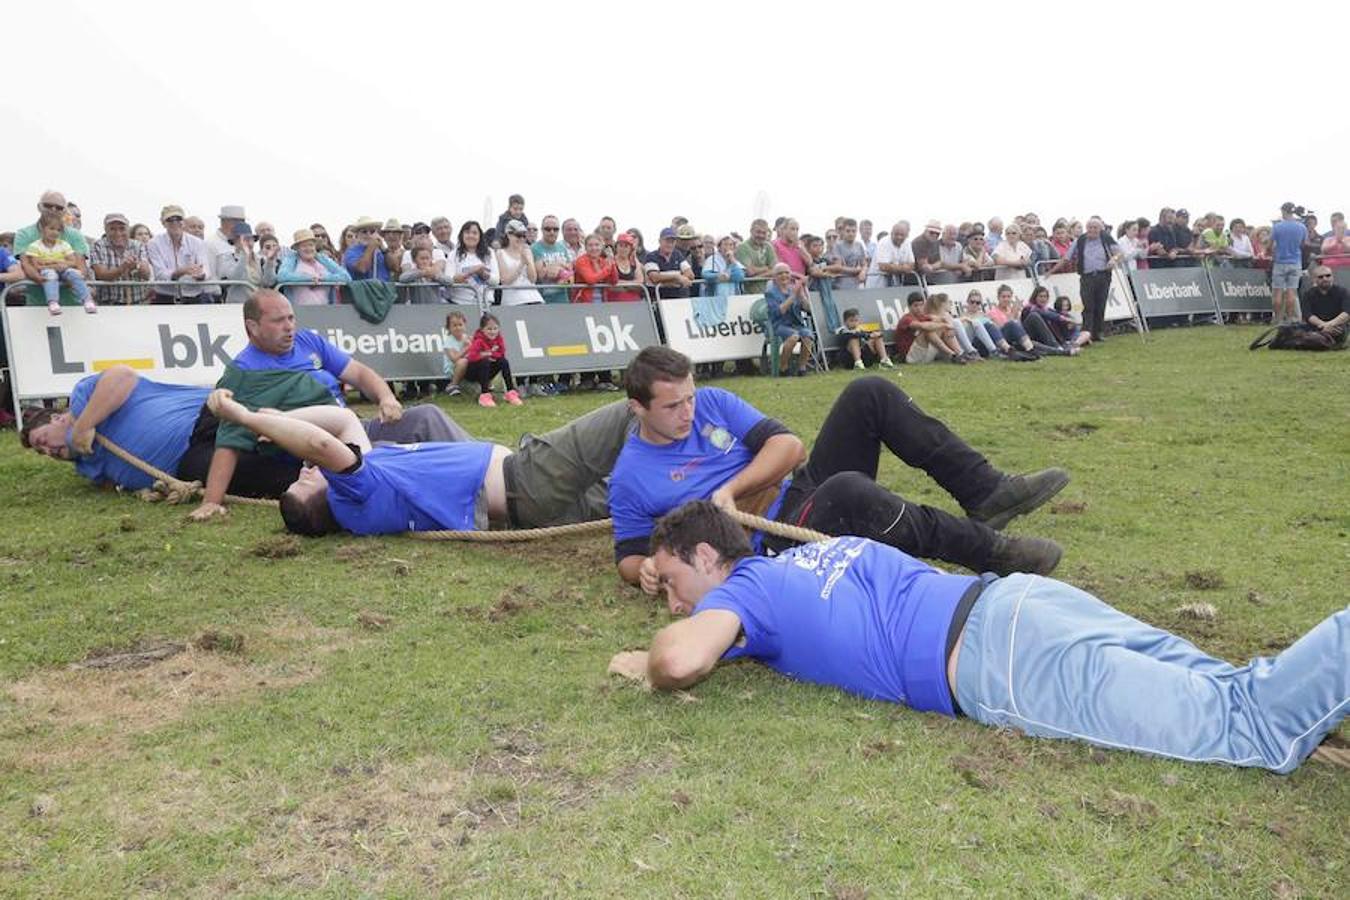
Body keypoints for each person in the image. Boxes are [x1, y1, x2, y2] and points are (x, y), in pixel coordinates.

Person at [613, 500, 1347, 775]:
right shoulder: (807, 557)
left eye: (674, 585)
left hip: (1006, 660)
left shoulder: (745, 591)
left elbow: (680, 659)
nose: (674, 606)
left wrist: (646, 664)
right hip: (1027, 603)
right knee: (1230, 684)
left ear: (710, 557)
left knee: (1251, 723)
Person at [608, 346, 1068, 597]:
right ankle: (994, 553)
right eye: (672, 406)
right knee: (849, 492)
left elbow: (788, 447)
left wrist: (728, 491)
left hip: (795, 492)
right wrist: (645, 569)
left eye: (689, 397)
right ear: (637, 407)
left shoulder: (713, 403)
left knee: (868, 392)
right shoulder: (632, 474)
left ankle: (986, 493)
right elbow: (628, 554)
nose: (688, 412)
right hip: (767, 546)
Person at [205, 385, 636, 538]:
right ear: (324, 498)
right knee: (634, 409)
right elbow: (320, 445)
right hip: (528, 480)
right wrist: (243, 416)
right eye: (306, 480)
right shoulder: (358, 493)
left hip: (536, 505)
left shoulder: (368, 482)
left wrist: (278, 420)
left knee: (653, 497)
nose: (305, 469)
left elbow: (340, 420)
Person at [186, 290, 470, 521]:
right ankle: (471, 490)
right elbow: (229, 441)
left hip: (355, 425)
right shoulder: (245, 373)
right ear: (253, 327)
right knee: (401, 456)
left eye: (291, 318)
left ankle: (486, 465)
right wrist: (212, 500)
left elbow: (358, 373)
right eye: (278, 321)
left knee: (427, 416)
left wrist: (386, 397)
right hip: (328, 451)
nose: (289, 327)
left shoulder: (307, 340)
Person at [18, 366, 317, 498]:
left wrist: (83, 425)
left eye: (43, 440)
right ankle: (326, 480)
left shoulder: (83, 397)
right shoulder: (87, 466)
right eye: (42, 453)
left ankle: (352, 440)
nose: (48, 451)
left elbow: (122, 376)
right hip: (186, 466)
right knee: (260, 476)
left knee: (268, 425)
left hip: (201, 419)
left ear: (58, 418)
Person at [1049, 216, 1120, 343]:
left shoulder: (1106, 238)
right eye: (1090, 228)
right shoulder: (1080, 240)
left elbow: (1119, 253)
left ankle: (1097, 333)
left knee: (1100, 304)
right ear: (1086, 228)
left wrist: (1113, 260)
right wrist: (1051, 271)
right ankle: (1087, 333)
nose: (1092, 230)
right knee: (1088, 305)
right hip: (1087, 277)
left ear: (1100, 229)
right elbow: (1067, 257)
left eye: (1095, 228)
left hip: (1103, 275)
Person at [20, 211, 96, 314]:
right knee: (50, 274)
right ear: (42, 229)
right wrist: (58, 264)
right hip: (49, 271)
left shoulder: (64, 245)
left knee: (74, 273)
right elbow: (37, 265)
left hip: (63, 270)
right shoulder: (34, 246)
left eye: (58, 230)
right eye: (51, 228)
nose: (55, 232)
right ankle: (53, 302)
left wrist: (52, 263)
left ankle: (87, 300)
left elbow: (73, 262)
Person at [146, 205, 211, 303]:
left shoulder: (197, 242)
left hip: (193, 296)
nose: (175, 223)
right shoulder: (153, 243)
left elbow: (206, 269)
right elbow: (160, 275)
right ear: (163, 223)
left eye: (178, 219)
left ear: (183, 222)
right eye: (170, 220)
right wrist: (181, 271)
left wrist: (201, 275)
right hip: (165, 297)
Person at [89, 213, 152, 305]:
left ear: (128, 230)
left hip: (138, 304)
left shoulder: (137, 245)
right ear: (106, 230)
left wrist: (136, 265)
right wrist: (122, 268)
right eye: (112, 229)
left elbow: (146, 275)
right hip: (108, 304)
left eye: (122, 228)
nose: (118, 233)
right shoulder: (98, 245)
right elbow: (101, 274)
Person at [763, 264, 815, 377]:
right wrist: (793, 296)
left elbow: (808, 309)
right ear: (774, 277)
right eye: (780, 273)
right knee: (794, 336)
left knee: (808, 336)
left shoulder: (794, 289)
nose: (784, 275)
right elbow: (779, 311)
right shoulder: (770, 293)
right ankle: (783, 368)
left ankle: (802, 368)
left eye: (786, 272)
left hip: (796, 323)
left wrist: (802, 296)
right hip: (779, 324)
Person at [276, 228, 351, 305]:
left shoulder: (323, 259)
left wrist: (323, 279)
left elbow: (346, 277)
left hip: (326, 309)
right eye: (304, 246)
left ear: (315, 246)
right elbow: (282, 276)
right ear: (297, 249)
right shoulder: (291, 259)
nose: (308, 248)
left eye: (311, 245)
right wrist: (309, 279)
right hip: (298, 310)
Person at [465, 313, 522, 407]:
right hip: (474, 371)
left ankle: (511, 392)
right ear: (483, 330)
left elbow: (501, 353)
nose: (492, 332)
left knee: (503, 361)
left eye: (495, 328)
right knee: (485, 362)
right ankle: (484, 395)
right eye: (489, 329)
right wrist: (486, 355)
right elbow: (472, 357)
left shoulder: (499, 339)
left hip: (488, 369)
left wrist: (489, 354)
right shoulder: (478, 340)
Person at [896, 291, 963, 364]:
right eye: (916, 306)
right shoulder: (906, 319)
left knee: (942, 328)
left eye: (921, 305)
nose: (919, 308)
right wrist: (945, 325)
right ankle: (953, 355)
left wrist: (949, 327)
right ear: (909, 307)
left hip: (924, 354)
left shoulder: (922, 317)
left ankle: (960, 354)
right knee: (927, 330)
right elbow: (923, 326)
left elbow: (944, 318)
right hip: (911, 358)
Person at [1271, 203, 1308, 324]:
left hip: (1280, 262)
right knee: (1291, 292)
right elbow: (1305, 243)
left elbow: (1271, 244)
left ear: (1283, 211)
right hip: (1295, 261)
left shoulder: (1277, 226)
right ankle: (1291, 318)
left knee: (1277, 292)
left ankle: (1277, 319)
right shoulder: (1302, 227)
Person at [449, 221, 498, 306]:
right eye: (467, 232)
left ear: (480, 236)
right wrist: (471, 271)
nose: (471, 236)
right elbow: (450, 280)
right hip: (460, 302)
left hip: (485, 303)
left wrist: (483, 274)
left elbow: (496, 281)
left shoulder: (489, 252)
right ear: (462, 235)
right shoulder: (454, 254)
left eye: (474, 233)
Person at [1299, 265, 1350, 345]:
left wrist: (1329, 325)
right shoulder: (1308, 295)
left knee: (1340, 331)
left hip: (1337, 327)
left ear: (1332, 277)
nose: (1325, 279)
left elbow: (1347, 313)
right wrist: (1323, 326)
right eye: (1320, 277)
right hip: (1316, 327)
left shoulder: (1343, 292)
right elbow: (1308, 315)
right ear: (1314, 279)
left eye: (1328, 275)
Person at [532, 214, 574, 304]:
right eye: (548, 229)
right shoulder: (535, 248)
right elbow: (542, 274)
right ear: (542, 230)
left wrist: (554, 268)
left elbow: (570, 275)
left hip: (563, 300)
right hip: (543, 300)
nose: (552, 232)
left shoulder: (562, 247)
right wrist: (560, 267)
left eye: (555, 229)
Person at [218, 222, 262, 304]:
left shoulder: (261, 259)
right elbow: (235, 277)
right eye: (244, 239)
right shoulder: (227, 258)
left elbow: (268, 282)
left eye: (250, 239)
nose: (248, 243)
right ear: (234, 241)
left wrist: (270, 264)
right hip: (236, 305)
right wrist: (244, 255)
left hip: (257, 304)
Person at [734, 219, 779, 295]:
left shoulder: (768, 246)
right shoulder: (743, 247)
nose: (761, 235)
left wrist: (758, 276)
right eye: (758, 232)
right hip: (747, 293)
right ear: (751, 231)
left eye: (764, 233)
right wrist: (766, 268)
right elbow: (749, 271)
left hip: (767, 292)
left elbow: (776, 270)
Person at [865, 221, 914, 288]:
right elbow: (883, 266)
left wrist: (893, 267)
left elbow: (911, 264)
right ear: (891, 233)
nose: (899, 237)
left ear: (906, 235)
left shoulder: (907, 243)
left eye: (902, 235)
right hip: (877, 285)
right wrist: (903, 268)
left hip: (896, 285)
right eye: (896, 234)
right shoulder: (883, 242)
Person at [343, 216, 391, 282]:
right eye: (364, 231)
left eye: (372, 231)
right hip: (363, 291)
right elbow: (362, 268)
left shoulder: (381, 251)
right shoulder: (351, 252)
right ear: (357, 235)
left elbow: (395, 268)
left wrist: (384, 248)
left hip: (384, 290)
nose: (368, 234)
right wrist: (371, 247)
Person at [573, 233, 616, 303]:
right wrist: (608, 268)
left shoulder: (603, 261)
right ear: (586, 247)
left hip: (602, 300)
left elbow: (614, 280)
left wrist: (612, 262)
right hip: (584, 302)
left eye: (597, 245)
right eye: (590, 245)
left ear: (602, 247)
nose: (594, 248)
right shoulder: (581, 261)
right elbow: (590, 279)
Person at [828, 218, 867, 291]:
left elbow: (864, 263)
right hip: (841, 286)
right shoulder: (837, 246)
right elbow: (838, 267)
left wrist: (863, 271)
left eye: (853, 231)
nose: (851, 234)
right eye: (848, 231)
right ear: (843, 231)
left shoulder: (859, 245)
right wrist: (856, 270)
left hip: (857, 285)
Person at [441, 310, 470, 396]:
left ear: (465, 325)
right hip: (452, 369)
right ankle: (453, 385)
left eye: (460, 325)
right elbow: (454, 359)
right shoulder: (448, 342)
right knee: (462, 362)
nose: (458, 328)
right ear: (449, 328)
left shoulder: (467, 338)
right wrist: (466, 348)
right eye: (454, 325)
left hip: (466, 366)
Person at [609, 233, 645, 301]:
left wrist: (621, 284)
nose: (623, 249)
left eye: (626, 246)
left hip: (634, 300)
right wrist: (631, 284)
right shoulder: (610, 260)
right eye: (621, 245)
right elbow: (611, 284)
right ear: (616, 247)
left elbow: (640, 282)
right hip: (614, 301)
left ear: (631, 248)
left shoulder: (634, 262)